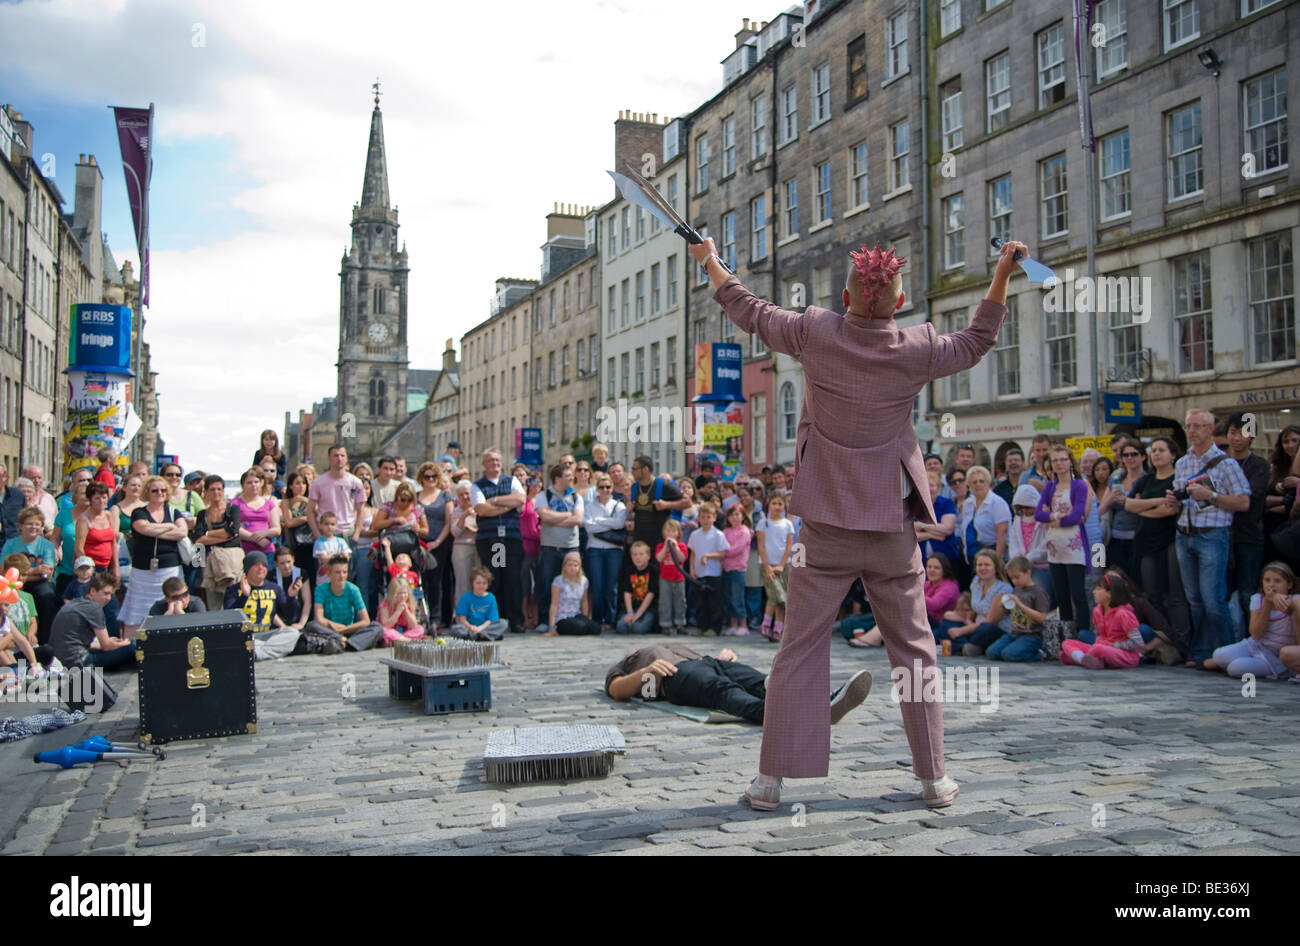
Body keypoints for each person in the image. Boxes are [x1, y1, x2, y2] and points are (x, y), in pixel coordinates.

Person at [698, 239, 1028, 810]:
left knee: (797, 648)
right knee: (915, 650)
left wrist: (710, 259)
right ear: (899, 304)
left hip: (824, 523)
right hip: (890, 527)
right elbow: (977, 340)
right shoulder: (917, 348)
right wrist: (1000, 271)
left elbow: (746, 308)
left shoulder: (815, 331)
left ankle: (770, 781)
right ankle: (934, 779)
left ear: (846, 294)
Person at [605, 643, 872, 727]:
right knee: (725, 692)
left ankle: (823, 701)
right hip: (675, 676)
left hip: (707, 661)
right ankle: (786, 714)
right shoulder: (629, 662)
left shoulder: (671, 644)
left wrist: (723, 657)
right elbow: (616, 690)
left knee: (763, 681)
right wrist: (646, 671)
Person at [1166, 409, 1252, 666]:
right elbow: (1182, 499)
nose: (1191, 431)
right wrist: (1174, 502)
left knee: (1213, 598)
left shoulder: (1226, 463)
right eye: (1188, 426)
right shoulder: (1182, 463)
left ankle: (1226, 651)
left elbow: (1244, 501)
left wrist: (1211, 496)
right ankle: (1203, 651)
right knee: (1194, 599)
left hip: (1212, 535)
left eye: (1198, 426)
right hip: (1185, 532)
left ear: (1210, 429)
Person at [1125, 437, 1190, 650]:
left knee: (1174, 593)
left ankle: (1181, 641)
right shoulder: (1146, 480)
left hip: (1170, 538)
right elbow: (1129, 505)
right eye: (1153, 450)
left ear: (1173, 454)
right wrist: (1157, 501)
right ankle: (1158, 640)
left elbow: (1171, 510)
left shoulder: (1178, 479)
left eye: (1161, 450)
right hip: (1146, 540)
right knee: (1151, 593)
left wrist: (1143, 508)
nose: (1156, 454)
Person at [119, 476, 189, 636]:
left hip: (170, 570)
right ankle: (131, 647)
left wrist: (154, 530)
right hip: (142, 571)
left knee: (172, 607)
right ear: (147, 493)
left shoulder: (173, 511)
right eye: (155, 490)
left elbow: (182, 532)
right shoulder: (139, 512)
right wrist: (169, 527)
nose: (160, 493)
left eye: (163, 490)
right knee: (136, 612)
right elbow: (143, 529)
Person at [1204, 562, 1300, 679]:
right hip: (1257, 645)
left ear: (1289, 584)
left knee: (1235, 668)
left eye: (1277, 581)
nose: (1271, 585)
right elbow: (1255, 635)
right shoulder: (1257, 599)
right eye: (1267, 580)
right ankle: (1227, 663)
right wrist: (1268, 605)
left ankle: (1244, 665)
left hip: (1275, 656)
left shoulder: (1295, 600)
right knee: (1218, 654)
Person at [1036, 444, 1093, 633]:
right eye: (1055, 460)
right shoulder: (1049, 486)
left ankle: (1084, 633)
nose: (1059, 464)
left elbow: (1077, 516)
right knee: (1061, 595)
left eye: (1063, 459)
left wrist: (1052, 519)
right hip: (1054, 547)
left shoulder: (1079, 485)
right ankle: (1067, 636)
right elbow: (1038, 514)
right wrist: (1054, 517)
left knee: (1078, 594)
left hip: (1073, 546)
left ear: (1070, 461)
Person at [471, 448, 527, 635]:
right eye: (490, 460)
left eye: (497, 460)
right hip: (493, 540)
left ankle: (516, 620)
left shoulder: (511, 481)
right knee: (496, 579)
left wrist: (494, 500)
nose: (495, 463)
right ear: (484, 464)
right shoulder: (477, 485)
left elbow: (520, 499)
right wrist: (505, 506)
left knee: (513, 578)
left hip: (511, 538)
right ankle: (498, 619)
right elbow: (481, 509)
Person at [1225, 412, 1269, 640]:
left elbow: (1250, 501)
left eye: (1243, 432)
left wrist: (1223, 498)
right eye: (1232, 432)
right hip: (1222, 535)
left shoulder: (1259, 465)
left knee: (1247, 593)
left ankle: (1251, 640)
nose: (1237, 438)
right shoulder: (1221, 462)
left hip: (1248, 537)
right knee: (1222, 593)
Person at [224, 551, 306, 658]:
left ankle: (258, 653)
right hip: (246, 636)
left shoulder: (274, 588)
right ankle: (264, 651)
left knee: (292, 632)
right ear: (247, 569)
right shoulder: (234, 590)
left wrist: (290, 597)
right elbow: (229, 616)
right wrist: (244, 595)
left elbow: (289, 616)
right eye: (256, 565)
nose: (261, 568)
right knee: (237, 642)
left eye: (263, 565)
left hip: (268, 635)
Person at [933, 550, 1012, 657]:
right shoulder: (976, 582)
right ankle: (967, 646)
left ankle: (963, 646)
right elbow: (974, 609)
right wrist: (963, 619)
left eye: (987, 565)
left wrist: (962, 630)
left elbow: (990, 621)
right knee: (946, 622)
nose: (983, 568)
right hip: (974, 624)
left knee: (986, 628)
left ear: (995, 567)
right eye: (980, 565)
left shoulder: (1003, 589)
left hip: (993, 630)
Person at [51, 573, 133, 674]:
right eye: (105, 593)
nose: (108, 598)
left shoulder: (75, 603)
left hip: (61, 660)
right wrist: (125, 643)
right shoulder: (94, 608)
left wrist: (109, 642)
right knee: (134, 646)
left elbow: (75, 641)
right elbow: (106, 645)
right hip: (80, 662)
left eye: (111, 595)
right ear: (93, 591)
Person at [535, 463, 583, 633]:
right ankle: (545, 621)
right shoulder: (544, 495)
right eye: (568, 475)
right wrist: (566, 515)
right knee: (547, 585)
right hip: (550, 547)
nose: (572, 478)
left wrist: (554, 518)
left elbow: (578, 520)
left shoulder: (577, 497)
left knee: (573, 584)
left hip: (571, 547)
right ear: (557, 479)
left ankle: (573, 618)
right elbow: (544, 516)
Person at [1060, 571, 1143, 669]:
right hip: (1100, 647)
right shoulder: (1097, 611)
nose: (1094, 592)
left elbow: (1137, 642)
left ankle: (1082, 659)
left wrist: (1115, 645)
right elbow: (1098, 634)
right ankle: (1087, 660)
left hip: (1122, 653)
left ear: (1110, 594)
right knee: (1067, 643)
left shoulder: (1123, 614)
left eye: (1098, 589)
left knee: (1098, 649)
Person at [1, 506, 59, 643]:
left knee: (47, 596)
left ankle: (44, 639)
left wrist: (22, 573)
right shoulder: (11, 544)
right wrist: (34, 570)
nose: (34, 527)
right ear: (21, 526)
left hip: (40, 582)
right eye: (29, 523)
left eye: (37, 524)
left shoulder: (47, 546)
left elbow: (47, 574)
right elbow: (3, 569)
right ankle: (10, 636)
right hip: (13, 582)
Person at [303, 554, 382, 651]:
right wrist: (336, 628)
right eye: (337, 572)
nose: (342, 576)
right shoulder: (320, 590)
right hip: (329, 629)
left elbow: (365, 620)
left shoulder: (353, 589)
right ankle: (342, 641)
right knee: (311, 625)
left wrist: (344, 629)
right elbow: (320, 618)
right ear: (329, 574)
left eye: (344, 572)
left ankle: (346, 644)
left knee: (377, 627)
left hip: (348, 629)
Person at [984, 557, 1050, 662]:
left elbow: (1042, 617)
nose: (1014, 581)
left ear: (1028, 573)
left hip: (1031, 635)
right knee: (991, 652)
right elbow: (1012, 611)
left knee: (1009, 654)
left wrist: (1020, 604)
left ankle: (1039, 654)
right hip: (1014, 633)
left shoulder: (1038, 592)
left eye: (1017, 577)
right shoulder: (1017, 590)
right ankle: (1016, 649)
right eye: (1012, 578)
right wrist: (1004, 607)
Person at [585, 473, 627, 630]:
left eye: (608, 487)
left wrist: (599, 521)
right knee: (597, 586)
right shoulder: (589, 506)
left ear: (612, 488)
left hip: (613, 550)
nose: (605, 490)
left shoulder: (619, 505)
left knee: (611, 587)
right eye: (601, 487)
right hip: (595, 549)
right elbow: (589, 527)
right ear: (597, 489)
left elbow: (619, 523)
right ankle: (597, 619)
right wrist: (609, 524)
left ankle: (610, 620)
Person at [416, 462, 453, 631]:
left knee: (437, 581)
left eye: (433, 476)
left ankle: (436, 618)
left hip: (439, 542)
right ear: (421, 478)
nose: (430, 479)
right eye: (427, 477)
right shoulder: (416, 496)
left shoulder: (445, 496)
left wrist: (437, 542)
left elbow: (448, 522)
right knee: (420, 581)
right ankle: (421, 615)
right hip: (419, 543)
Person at [1105, 440, 1147, 581]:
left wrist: (1131, 503)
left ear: (1143, 456)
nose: (1130, 458)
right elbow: (1104, 506)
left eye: (1134, 454)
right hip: (1116, 536)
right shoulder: (1115, 478)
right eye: (1125, 455)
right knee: (1117, 581)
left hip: (1139, 537)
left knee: (1136, 581)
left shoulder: (1148, 479)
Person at [756, 493, 795, 641]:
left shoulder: (787, 524)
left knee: (781, 598)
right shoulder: (763, 523)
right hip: (767, 565)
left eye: (780, 504)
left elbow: (789, 546)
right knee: (776, 595)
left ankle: (778, 628)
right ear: (769, 505)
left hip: (784, 566)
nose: (777, 507)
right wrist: (767, 566)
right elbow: (761, 545)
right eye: (774, 503)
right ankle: (766, 624)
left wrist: (781, 564)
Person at [687, 501, 728, 635]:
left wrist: (707, 556)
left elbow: (722, 554)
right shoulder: (695, 535)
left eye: (708, 517)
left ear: (714, 518)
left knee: (714, 602)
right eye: (703, 517)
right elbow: (693, 553)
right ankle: (702, 626)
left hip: (713, 573)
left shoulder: (718, 535)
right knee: (700, 601)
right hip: (699, 573)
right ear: (699, 518)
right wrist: (692, 569)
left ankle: (714, 628)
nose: (705, 520)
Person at [541, 550, 601, 636]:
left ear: (579, 567)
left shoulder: (584, 581)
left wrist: (585, 619)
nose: (572, 568)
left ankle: (583, 627)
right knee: (581, 627)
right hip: (563, 617)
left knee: (596, 628)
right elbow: (554, 604)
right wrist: (551, 627)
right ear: (564, 567)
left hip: (576, 615)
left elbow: (584, 602)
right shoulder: (558, 581)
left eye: (575, 565)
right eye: (569, 565)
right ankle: (559, 629)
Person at [960, 465, 1011, 566]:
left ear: (988, 483)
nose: (978, 484)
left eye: (981, 481)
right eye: (974, 482)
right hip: (972, 556)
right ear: (969, 485)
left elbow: (1002, 534)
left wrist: (997, 562)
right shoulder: (967, 504)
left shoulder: (998, 503)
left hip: (991, 555)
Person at [52, 478, 91, 600]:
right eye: (83, 493)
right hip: (68, 568)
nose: (86, 496)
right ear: (75, 496)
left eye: (89, 494)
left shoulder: (98, 515)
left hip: (90, 570)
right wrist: (54, 551)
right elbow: (55, 538)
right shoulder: (63, 514)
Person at [231, 468, 281, 557]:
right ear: (243, 485)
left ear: (261, 483)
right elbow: (233, 527)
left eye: (256, 482)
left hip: (267, 550)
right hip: (244, 551)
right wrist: (256, 539)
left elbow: (277, 529)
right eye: (249, 483)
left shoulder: (269, 504)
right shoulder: (234, 504)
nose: (253, 485)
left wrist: (264, 533)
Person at [720, 504, 752, 636]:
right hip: (726, 568)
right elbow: (721, 544)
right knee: (728, 598)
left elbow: (735, 549)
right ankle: (733, 624)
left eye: (737, 514)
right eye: (731, 515)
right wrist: (722, 550)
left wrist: (722, 552)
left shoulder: (744, 531)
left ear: (743, 516)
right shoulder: (726, 531)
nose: (734, 517)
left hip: (738, 570)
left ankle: (743, 625)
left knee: (738, 598)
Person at [453, 566, 508, 641]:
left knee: (503, 623)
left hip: (485, 627)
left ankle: (479, 635)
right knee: (456, 628)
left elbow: (491, 620)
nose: (481, 586)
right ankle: (484, 636)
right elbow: (462, 619)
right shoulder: (465, 597)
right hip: (469, 628)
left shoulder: (491, 598)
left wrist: (480, 629)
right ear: (473, 583)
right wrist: (471, 627)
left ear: (488, 584)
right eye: (478, 583)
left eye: (484, 583)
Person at [616, 540, 658, 635]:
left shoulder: (653, 571)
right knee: (621, 627)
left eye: (641, 554)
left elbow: (651, 594)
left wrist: (638, 615)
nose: (637, 557)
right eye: (634, 555)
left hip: (648, 609)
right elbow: (627, 592)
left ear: (648, 556)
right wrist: (630, 612)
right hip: (633, 606)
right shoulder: (628, 571)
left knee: (637, 629)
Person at [449, 481, 480, 608]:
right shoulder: (456, 512)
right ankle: (461, 617)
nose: (465, 497)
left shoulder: (480, 507)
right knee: (463, 584)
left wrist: (470, 527)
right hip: (461, 548)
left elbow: (481, 528)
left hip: (479, 547)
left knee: (480, 582)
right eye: (461, 495)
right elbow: (455, 532)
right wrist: (464, 516)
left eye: (467, 493)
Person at [655, 518, 688, 636]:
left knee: (680, 601)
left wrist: (676, 548)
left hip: (679, 578)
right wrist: (665, 547)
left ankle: (680, 623)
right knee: (665, 602)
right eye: (668, 531)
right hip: (664, 578)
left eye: (673, 531)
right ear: (664, 533)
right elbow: (659, 558)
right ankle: (666, 624)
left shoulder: (682, 545)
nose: (670, 534)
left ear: (678, 533)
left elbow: (682, 559)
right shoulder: (660, 546)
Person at [279, 471, 315, 578]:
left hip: (311, 544)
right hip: (295, 545)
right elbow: (289, 522)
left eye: (304, 483)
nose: (301, 486)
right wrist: (307, 518)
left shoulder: (310, 501)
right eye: (297, 483)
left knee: (311, 575)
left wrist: (306, 500)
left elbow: (319, 513)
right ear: (290, 486)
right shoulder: (286, 502)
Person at [270, 545, 312, 633]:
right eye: (282, 563)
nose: (286, 566)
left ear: (293, 559)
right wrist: (283, 627)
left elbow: (307, 601)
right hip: (278, 620)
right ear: (276, 564)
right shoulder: (270, 577)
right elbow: (270, 607)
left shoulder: (301, 574)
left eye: (289, 562)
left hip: (297, 618)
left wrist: (301, 624)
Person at [519, 474, 542, 630]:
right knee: (525, 585)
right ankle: (525, 616)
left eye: (537, 483)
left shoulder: (543, 501)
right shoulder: (523, 502)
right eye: (531, 483)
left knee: (538, 586)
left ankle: (536, 616)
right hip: (527, 546)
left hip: (542, 546)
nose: (534, 486)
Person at [376, 575, 426, 645]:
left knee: (419, 629)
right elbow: (385, 625)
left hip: (404, 632)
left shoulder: (408, 604)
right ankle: (406, 640)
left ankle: (399, 640)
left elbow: (413, 625)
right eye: (399, 593)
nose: (402, 596)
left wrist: (406, 611)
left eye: (404, 593)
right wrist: (398, 612)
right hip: (390, 630)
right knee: (383, 631)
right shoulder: (385, 605)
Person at [311, 512, 351, 586]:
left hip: (339, 579)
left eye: (332, 524)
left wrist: (333, 558)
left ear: (336, 526)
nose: (329, 527)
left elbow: (346, 557)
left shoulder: (341, 541)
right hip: (324, 580)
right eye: (326, 524)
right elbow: (323, 558)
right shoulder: (319, 542)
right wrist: (339, 557)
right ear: (320, 525)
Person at [22, 464, 58, 536]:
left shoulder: (49, 498)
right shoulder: (18, 499)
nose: (37, 481)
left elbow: (56, 524)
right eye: (33, 478)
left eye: (39, 478)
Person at [0, 464, 27, 547]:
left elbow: (25, 520)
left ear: (7, 477)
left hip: (15, 547)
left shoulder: (18, 496)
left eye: (1, 476)